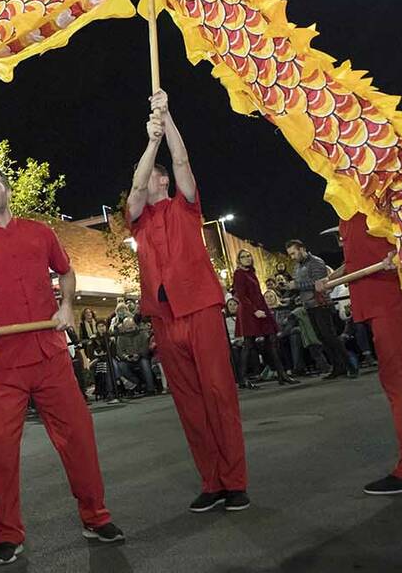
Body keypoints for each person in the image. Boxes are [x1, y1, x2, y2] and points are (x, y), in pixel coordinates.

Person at [0, 164, 124, 564]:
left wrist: (67, 305)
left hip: (50, 355)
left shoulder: (40, 232)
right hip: (2, 365)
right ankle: (8, 533)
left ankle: (96, 516)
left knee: (79, 439)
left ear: (6, 191)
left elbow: (67, 271)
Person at [127, 90, 249, 514]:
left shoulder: (186, 208)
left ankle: (235, 481)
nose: (148, 178)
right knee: (189, 404)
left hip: (199, 308)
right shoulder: (138, 219)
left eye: (154, 175)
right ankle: (211, 481)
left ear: (165, 181)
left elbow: (182, 163)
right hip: (163, 318)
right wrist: (150, 140)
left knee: (218, 394)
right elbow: (137, 186)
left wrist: (168, 118)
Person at [318, 215, 402, 494]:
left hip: (393, 291)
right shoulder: (354, 192)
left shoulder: (375, 182)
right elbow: (360, 254)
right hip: (383, 290)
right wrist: (333, 276)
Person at [285, 239, 351, 380]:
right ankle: (338, 367)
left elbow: (320, 283)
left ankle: (349, 365)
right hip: (309, 305)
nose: (292, 257)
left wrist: (297, 285)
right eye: (290, 255)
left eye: (294, 253)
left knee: (330, 336)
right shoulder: (297, 267)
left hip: (321, 304)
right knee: (322, 337)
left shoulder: (316, 262)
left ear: (302, 249)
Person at [232, 251, 298, 386]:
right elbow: (242, 296)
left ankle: (282, 374)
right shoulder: (239, 274)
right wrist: (255, 311)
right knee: (248, 344)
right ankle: (243, 379)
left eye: (249, 256)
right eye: (243, 257)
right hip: (250, 311)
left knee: (272, 340)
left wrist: (262, 309)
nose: (247, 259)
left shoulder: (251, 272)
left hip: (261, 307)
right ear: (239, 260)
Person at [114, 317, 156, 394]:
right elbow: (119, 351)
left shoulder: (142, 333)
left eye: (131, 326)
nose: (130, 329)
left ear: (134, 325)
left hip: (141, 357)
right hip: (127, 359)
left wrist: (138, 354)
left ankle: (151, 388)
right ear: (124, 327)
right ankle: (137, 383)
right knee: (121, 366)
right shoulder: (121, 337)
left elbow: (145, 347)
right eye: (128, 327)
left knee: (145, 364)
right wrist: (126, 356)